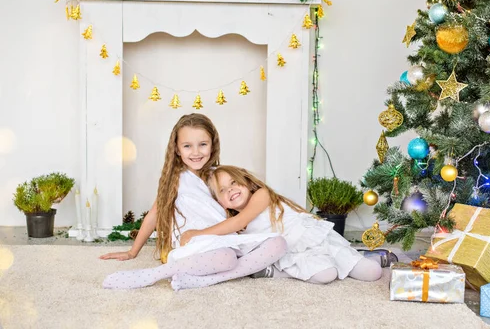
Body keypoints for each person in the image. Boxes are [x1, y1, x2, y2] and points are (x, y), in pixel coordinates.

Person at [100, 113, 287, 290]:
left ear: (212, 145)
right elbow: (154, 215)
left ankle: (203, 280)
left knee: (278, 244)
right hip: (194, 243)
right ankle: (152, 275)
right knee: (227, 257)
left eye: (203, 144)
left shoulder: (219, 176)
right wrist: (133, 252)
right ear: (177, 149)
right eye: (187, 146)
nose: (196, 152)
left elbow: (245, 199)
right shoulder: (175, 180)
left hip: (223, 238)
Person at [171, 165, 382, 290]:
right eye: (223, 191)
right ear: (221, 203)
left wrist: (196, 234)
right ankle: (275, 272)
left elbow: (239, 221)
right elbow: (235, 229)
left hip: (312, 238)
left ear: (246, 181)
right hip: (292, 252)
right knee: (327, 275)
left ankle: (370, 257)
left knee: (373, 273)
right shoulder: (237, 227)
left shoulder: (261, 195)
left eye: (234, 182)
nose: (231, 190)